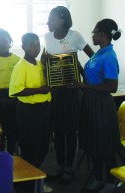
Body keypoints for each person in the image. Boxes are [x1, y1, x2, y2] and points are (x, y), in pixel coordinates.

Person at [43, 6, 94, 184]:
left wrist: (85, 77)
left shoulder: (75, 36)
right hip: (55, 92)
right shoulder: (47, 37)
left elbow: (93, 57)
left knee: (71, 131)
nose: (48, 22)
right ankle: (59, 166)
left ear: (63, 20)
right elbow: (47, 61)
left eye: (52, 18)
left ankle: (69, 168)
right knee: (58, 130)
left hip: (72, 92)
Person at [74, 19, 121, 193]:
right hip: (90, 101)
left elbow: (112, 87)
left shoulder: (109, 56)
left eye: (94, 32)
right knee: (94, 143)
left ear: (102, 35)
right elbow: (91, 78)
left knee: (105, 145)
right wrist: (78, 68)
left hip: (101, 105)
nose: (92, 35)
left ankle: (110, 182)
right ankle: (99, 179)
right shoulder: (99, 53)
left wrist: (85, 87)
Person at [9, 33, 53, 193]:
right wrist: (39, 90)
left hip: (44, 109)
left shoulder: (39, 64)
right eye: (32, 44)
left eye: (37, 44)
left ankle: (34, 179)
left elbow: (46, 82)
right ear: (24, 47)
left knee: (43, 147)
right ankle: (27, 186)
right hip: (28, 111)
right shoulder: (20, 66)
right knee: (30, 149)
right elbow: (16, 90)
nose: (36, 47)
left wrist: (46, 65)